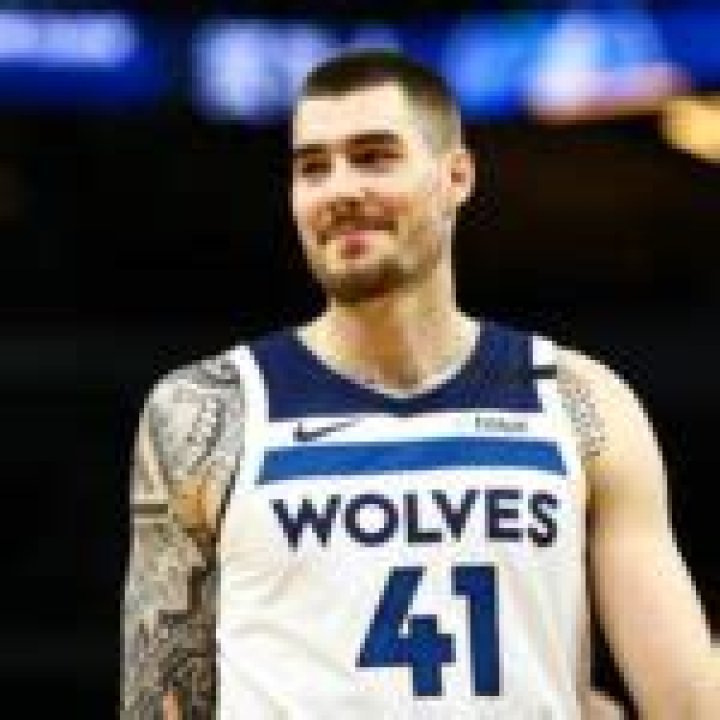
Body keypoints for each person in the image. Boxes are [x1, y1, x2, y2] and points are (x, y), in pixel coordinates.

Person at [121, 49, 717, 719]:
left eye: (373, 157)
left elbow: (689, 706)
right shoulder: (204, 410)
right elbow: (156, 703)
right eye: (313, 167)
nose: (339, 189)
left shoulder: (579, 400)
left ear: (456, 176)